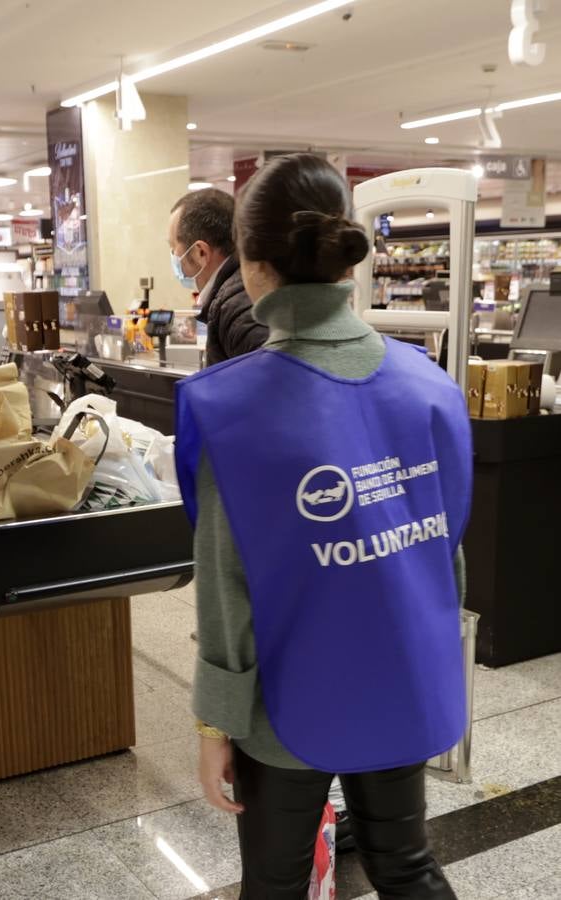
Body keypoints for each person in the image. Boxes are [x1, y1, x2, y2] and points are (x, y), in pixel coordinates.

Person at [174, 153, 469, 899]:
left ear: (249, 262)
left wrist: (215, 725)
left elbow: (225, 586)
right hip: (401, 674)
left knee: (273, 881)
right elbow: (442, 548)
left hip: (287, 700)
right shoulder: (430, 386)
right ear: (343, 258)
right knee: (404, 864)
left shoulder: (229, 408)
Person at [168, 188, 267, 365]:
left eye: (173, 247)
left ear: (200, 253)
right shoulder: (233, 295)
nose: (173, 255)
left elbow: (269, 380)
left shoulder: (237, 309)